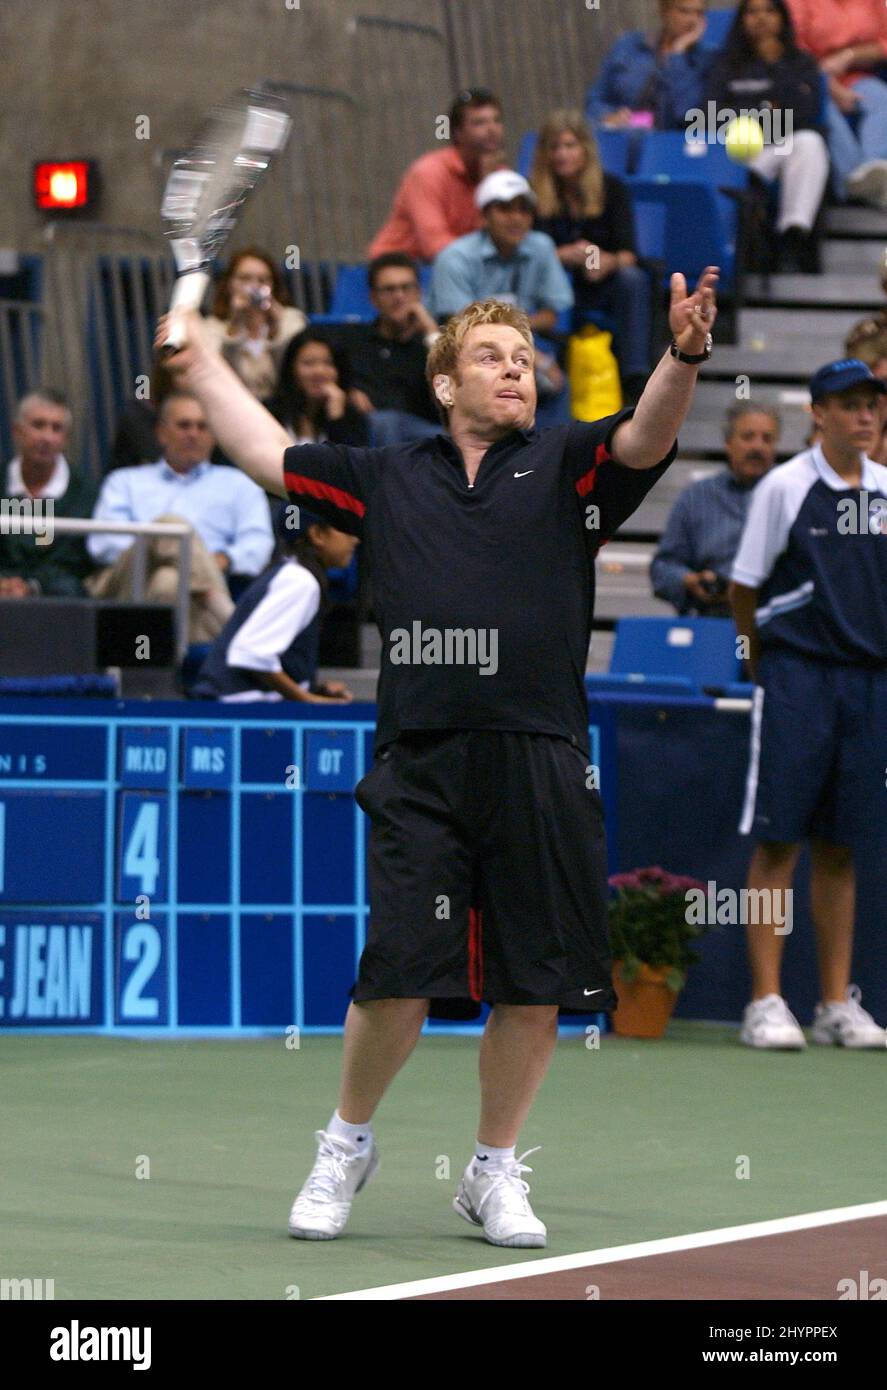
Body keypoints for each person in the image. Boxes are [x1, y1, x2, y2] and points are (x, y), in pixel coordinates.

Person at [157, 260, 719, 1247]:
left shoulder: (568, 468)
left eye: (523, 358)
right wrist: (198, 364)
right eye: (489, 357)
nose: (514, 370)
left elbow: (648, 433)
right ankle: (345, 1142)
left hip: (540, 755)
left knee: (531, 981)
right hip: (419, 760)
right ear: (444, 384)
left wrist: (678, 353)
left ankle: (492, 1169)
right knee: (394, 970)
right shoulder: (383, 476)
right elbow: (263, 447)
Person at [729, 358, 887, 1049]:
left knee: (840, 847)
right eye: (848, 404)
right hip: (795, 679)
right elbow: (743, 587)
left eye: (871, 405)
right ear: (817, 413)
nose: (863, 415)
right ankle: (764, 1001)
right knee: (777, 840)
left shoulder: (885, 491)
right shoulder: (782, 489)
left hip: (867, 684)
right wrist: (763, 667)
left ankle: (832, 1004)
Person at [87, 391, 273, 642]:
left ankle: (157, 672)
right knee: (170, 528)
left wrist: (224, 559)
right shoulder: (125, 481)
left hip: (192, 597)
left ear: (214, 435)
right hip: (127, 584)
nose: (193, 434)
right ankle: (232, 622)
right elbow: (102, 544)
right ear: (161, 433)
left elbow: (258, 546)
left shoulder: (240, 485)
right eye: (184, 425)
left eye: (202, 426)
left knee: (168, 581)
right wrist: (156, 550)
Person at [428, 170, 574, 425]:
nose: (516, 218)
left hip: (525, 339)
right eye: (505, 209)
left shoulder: (541, 246)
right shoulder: (455, 257)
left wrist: (522, 345)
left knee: (553, 381)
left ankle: (552, 456)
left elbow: (550, 315)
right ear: (484, 215)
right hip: (461, 346)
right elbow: (460, 326)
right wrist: (532, 355)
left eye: (524, 210)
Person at [530, 110, 651, 403]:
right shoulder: (531, 194)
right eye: (554, 147)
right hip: (551, 283)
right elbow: (524, 251)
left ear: (585, 149)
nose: (562, 154)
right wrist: (560, 254)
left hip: (600, 280)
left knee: (631, 279)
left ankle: (635, 377)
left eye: (570, 146)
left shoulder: (612, 189)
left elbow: (628, 254)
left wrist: (604, 261)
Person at [705, 0, 830, 273]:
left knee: (810, 143)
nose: (761, 18)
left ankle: (793, 232)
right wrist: (766, 110)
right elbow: (710, 113)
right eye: (752, 11)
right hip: (735, 153)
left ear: (783, 18)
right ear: (741, 19)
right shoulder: (724, 63)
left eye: (769, 10)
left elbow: (806, 113)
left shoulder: (800, 62)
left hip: (783, 145)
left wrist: (776, 68)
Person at [191, 514, 357, 704]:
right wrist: (309, 699)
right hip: (235, 712)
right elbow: (252, 654)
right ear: (317, 534)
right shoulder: (300, 581)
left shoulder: (289, 572)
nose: (355, 539)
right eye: (345, 528)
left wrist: (312, 687)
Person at [652, 401, 780, 615]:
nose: (758, 447)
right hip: (711, 618)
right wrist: (690, 580)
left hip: (776, 619)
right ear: (728, 443)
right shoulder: (696, 497)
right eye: (748, 437)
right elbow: (662, 569)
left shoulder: (791, 495)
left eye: (767, 439)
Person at [368, 88, 506, 262]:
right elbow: (435, 246)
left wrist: (488, 182)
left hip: (464, 266)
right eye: (479, 123)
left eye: (497, 120)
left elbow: (506, 236)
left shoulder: (501, 175)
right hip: (402, 270)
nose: (492, 129)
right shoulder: (428, 172)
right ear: (457, 133)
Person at [333, 254, 441, 446]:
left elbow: (455, 383)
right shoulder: (354, 342)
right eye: (389, 290)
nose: (399, 296)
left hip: (430, 434)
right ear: (373, 298)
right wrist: (348, 392)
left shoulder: (432, 342)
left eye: (406, 288)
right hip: (372, 436)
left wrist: (431, 332)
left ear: (419, 293)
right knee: (384, 423)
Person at [787, 0, 887, 207]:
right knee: (823, 106)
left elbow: (884, 42)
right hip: (808, 78)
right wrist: (830, 86)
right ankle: (852, 179)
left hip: (856, 76)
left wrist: (849, 56)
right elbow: (791, 49)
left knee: (879, 96)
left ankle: (874, 169)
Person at [0, 390, 96, 598]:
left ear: (66, 439)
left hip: (56, 598)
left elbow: (74, 561)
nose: (47, 437)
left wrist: (32, 586)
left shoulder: (85, 493)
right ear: (17, 431)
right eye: (38, 425)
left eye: (56, 428)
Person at [586, 0, 716, 131]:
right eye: (684, 11)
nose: (693, 20)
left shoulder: (707, 59)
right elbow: (596, 99)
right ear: (664, 11)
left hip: (672, 142)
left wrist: (678, 54)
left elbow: (688, 115)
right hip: (624, 135)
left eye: (699, 13)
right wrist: (608, 116)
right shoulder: (629, 47)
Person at [203, 247, 307, 402]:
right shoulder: (211, 327)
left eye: (263, 280)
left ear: (273, 286)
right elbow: (219, 376)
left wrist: (276, 327)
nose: (254, 286)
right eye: (245, 279)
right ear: (229, 284)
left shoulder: (291, 320)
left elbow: (295, 374)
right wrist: (235, 324)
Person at [269, 330, 369, 448]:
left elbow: (349, 463)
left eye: (328, 363)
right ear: (291, 369)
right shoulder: (269, 413)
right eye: (308, 363)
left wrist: (337, 418)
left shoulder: (352, 419)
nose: (319, 371)